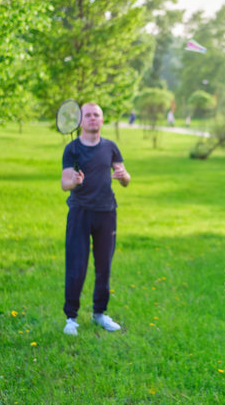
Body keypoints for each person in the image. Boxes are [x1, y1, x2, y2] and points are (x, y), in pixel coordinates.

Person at [61, 102, 131, 336]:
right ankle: (71, 317)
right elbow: (64, 183)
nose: (92, 118)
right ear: (80, 121)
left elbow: (125, 178)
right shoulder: (71, 149)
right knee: (76, 265)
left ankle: (100, 313)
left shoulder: (110, 147)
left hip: (106, 212)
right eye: (88, 115)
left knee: (104, 266)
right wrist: (75, 181)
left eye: (96, 115)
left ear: (102, 120)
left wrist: (123, 176)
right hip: (80, 212)